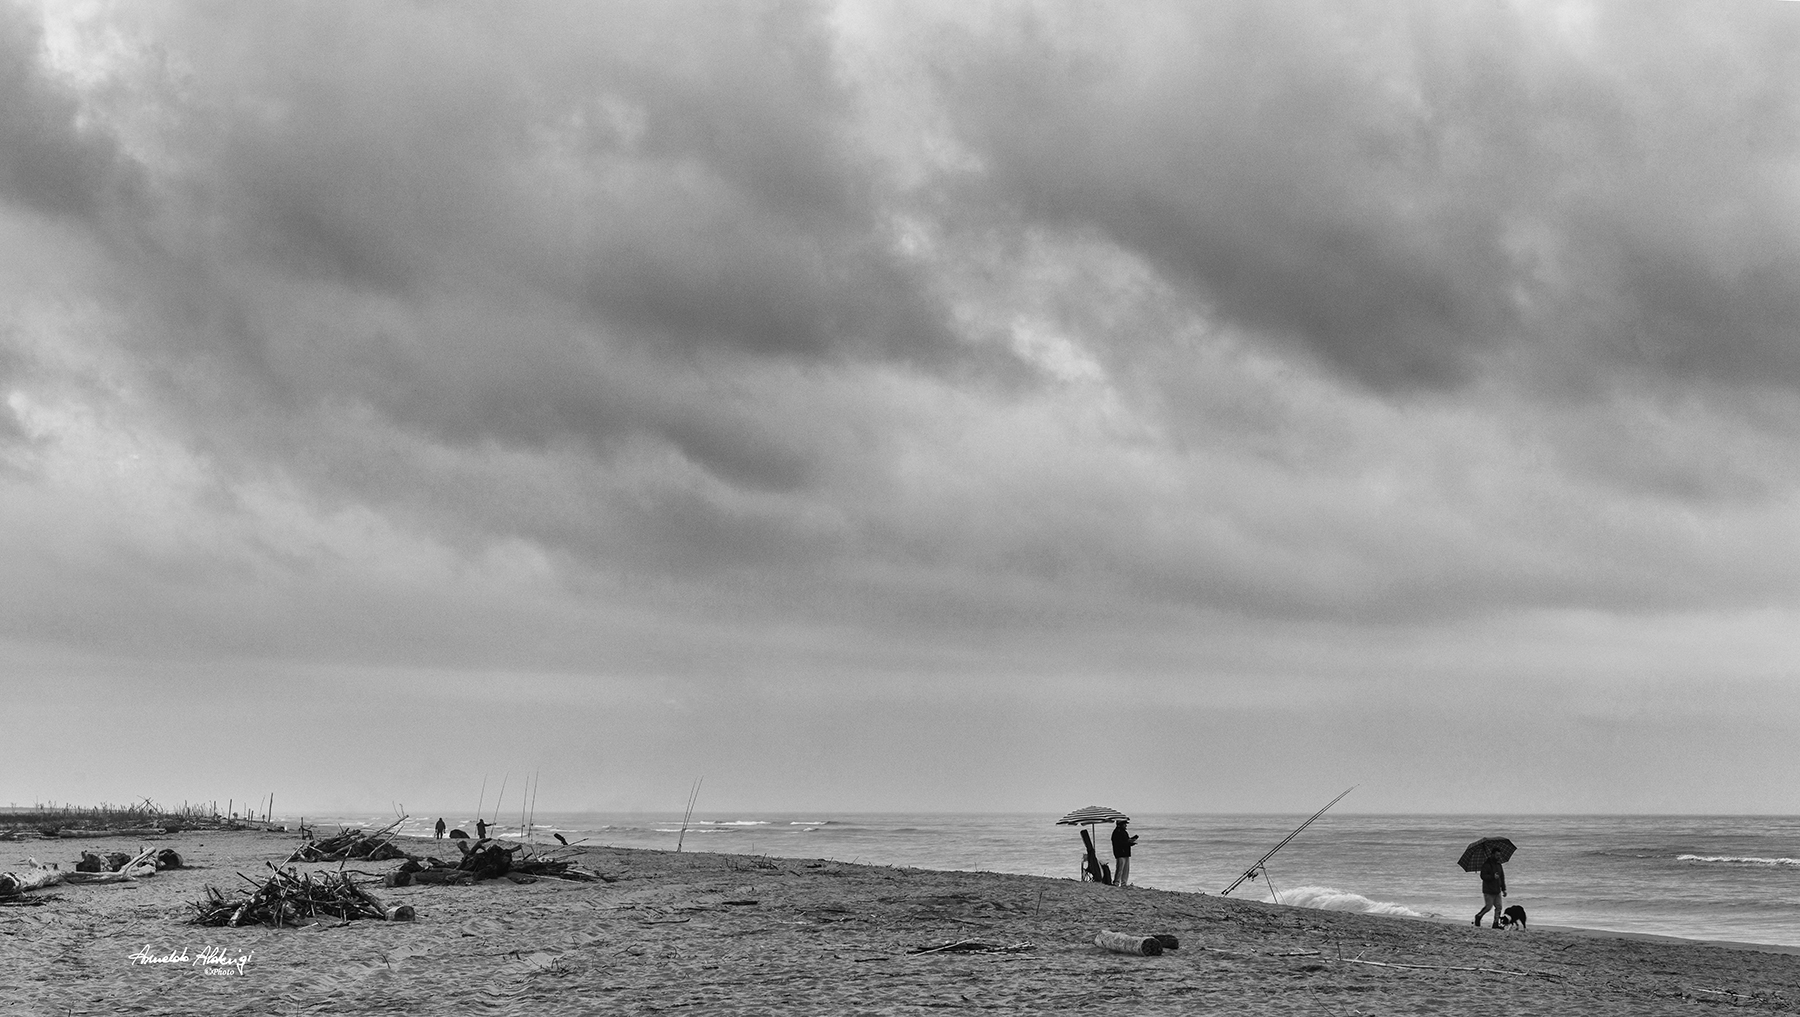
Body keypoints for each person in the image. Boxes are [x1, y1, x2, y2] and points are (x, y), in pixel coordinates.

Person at [1474, 854, 1507, 928]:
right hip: (1488, 890)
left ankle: (1495, 923)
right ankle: (1479, 916)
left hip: (1497, 890)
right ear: (1492, 855)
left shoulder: (1499, 865)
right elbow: (1483, 876)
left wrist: (1503, 889)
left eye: (1499, 855)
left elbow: (1502, 877)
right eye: (1497, 855)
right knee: (1488, 907)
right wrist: (1492, 876)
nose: (1498, 856)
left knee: (1499, 907)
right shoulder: (1486, 865)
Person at [1111, 819, 1139, 887]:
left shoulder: (1123, 832)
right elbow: (1120, 843)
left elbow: (1125, 841)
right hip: (1120, 853)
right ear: (1120, 824)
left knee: (1125, 869)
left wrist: (1131, 840)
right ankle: (1116, 882)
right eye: (1124, 824)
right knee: (1120, 869)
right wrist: (1129, 843)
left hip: (1125, 852)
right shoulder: (1117, 832)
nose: (1126, 825)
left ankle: (1124, 883)